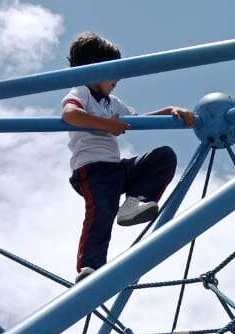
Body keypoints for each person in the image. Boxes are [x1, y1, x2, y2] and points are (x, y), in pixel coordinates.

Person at [62, 32, 195, 280]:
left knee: (163, 156)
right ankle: (90, 267)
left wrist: (169, 111)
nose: (118, 78)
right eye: (113, 71)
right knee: (102, 211)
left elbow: (139, 121)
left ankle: (135, 201)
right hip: (92, 170)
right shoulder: (80, 91)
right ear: (93, 68)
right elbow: (70, 115)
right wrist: (105, 124)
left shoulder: (113, 102)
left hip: (115, 167)